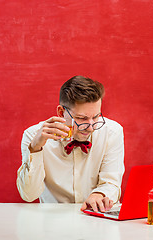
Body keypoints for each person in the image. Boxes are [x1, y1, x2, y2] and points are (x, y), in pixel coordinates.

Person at [16, 76, 125, 212]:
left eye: (96, 116)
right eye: (81, 118)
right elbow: (29, 194)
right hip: (52, 221)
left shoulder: (112, 132)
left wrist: (99, 194)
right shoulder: (33, 136)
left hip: (97, 217)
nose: (91, 127)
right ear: (61, 113)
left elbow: (111, 182)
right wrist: (35, 149)